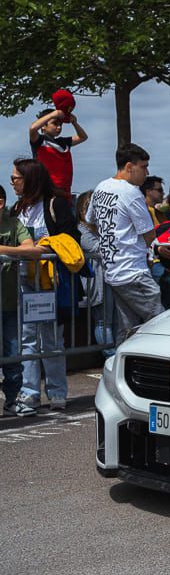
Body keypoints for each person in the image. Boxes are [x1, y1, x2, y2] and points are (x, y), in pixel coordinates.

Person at [10, 159, 78, 411]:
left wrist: (47, 246)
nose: (12, 182)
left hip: (50, 282)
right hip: (23, 281)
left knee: (51, 338)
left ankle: (57, 392)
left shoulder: (55, 204)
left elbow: (72, 237)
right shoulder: (17, 208)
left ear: (30, 179)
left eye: (16, 177)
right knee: (26, 338)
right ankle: (29, 392)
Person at [87, 143, 164, 344]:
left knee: (127, 329)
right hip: (133, 270)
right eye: (144, 167)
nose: (147, 172)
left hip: (113, 271)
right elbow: (149, 235)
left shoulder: (100, 188)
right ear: (129, 166)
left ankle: (123, 367)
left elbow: (91, 221)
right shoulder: (131, 193)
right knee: (161, 323)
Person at [0, 184, 44, 417]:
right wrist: (16, 250)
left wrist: (3, 250)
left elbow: (34, 250)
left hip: (9, 302)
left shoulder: (13, 223)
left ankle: (11, 400)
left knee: (13, 355)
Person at [75, 190, 113, 356]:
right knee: (103, 322)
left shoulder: (96, 230)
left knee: (109, 322)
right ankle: (111, 356)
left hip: (106, 281)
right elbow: (101, 249)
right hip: (96, 284)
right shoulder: (81, 231)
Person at [29, 108, 88, 203]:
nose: (59, 127)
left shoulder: (63, 142)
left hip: (64, 192)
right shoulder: (39, 141)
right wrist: (52, 115)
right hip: (45, 192)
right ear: (43, 126)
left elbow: (83, 137)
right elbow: (32, 128)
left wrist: (74, 123)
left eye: (60, 125)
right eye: (55, 124)